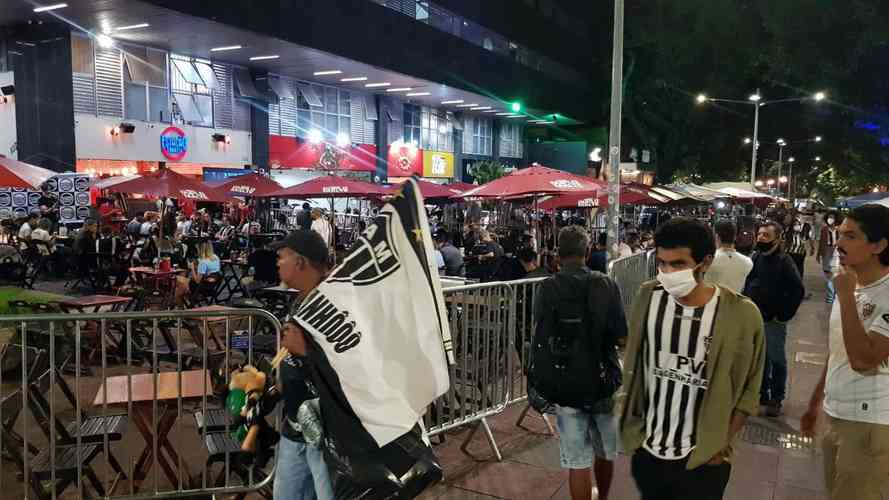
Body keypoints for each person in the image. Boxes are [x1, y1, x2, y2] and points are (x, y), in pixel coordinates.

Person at [619, 217, 765, 500]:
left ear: (705, 262)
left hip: (703, 458)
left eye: (678, 264)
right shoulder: (648, 296)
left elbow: (750, 387)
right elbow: (636, 360)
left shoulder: (742, 314)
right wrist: (632, 428)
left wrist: (721, 445)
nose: (667, 272)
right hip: (648, 449)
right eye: (661, 263)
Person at [801, 205, 889, 500]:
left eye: (850, 236)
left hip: (871, 424)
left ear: (878, 245)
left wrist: (845, 296)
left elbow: (863, 359)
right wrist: (815, 402)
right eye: (839, 235)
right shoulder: (851, 285)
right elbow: (839, 348)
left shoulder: (875, 293)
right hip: (837, 414)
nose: (838, 244)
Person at [532, 226, 626, 500]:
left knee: (577, 461)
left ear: (559, 254)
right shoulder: (606, 284)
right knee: (605, 452)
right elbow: (621, 335)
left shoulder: (548, 287)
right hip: (602, 378)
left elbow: (541, 329)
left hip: (564, 379)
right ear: (587, 251)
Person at [269, 230, 334, 499]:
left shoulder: (334, 304)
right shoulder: (299, 301)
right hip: (295, 425)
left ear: (300, 262)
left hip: (328, 434)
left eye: (281, 257)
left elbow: (353, 367)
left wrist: (307, 353)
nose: (277, 263)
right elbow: (288, 354)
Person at [742, 221, 805, 417]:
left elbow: (797, 290)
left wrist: (782, 315)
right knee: (761, 359)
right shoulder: (756, 257)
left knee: (776, 359)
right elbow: (750, 281)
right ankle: (762, 393)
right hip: (756, 317)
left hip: (774, 321)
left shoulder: (784, 262)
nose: (761, 238)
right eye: (759, 234)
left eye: (766, 236)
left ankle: (776, 397)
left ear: (777, 240)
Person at [707, 220, 753, 294]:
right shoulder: (748, 262)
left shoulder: (707, 260)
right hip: (735, 303)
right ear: (735, 237)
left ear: (716, 236)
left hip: (711, 303)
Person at [175, 241, 220, 305]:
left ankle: (180, 304)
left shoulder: (203, 262)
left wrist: (192, 268)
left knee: (177, 280)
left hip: (201, 287)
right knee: (182, 284)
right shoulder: (216, 257)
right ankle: (186, 302)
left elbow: (197, 281)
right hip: (211, 285)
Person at [818, 212, 841, 304]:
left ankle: (832, 295)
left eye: (832, 217)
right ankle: (832, 295)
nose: (830, 219)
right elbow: (821, 241)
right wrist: (818, 254)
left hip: (836, 251)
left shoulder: (839, 229)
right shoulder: (824, 229)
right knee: (827, 271)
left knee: (834, 272)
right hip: (826, 250)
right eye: (829, 217)